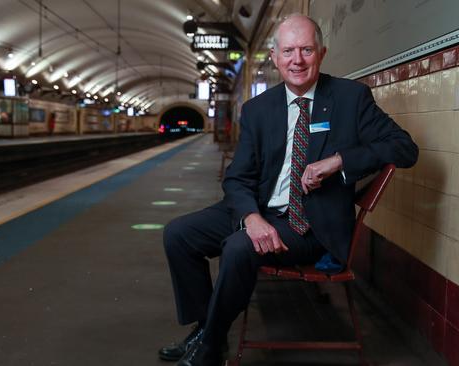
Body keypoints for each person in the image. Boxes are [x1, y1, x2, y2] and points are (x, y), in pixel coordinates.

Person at [160, 14, 418, 366]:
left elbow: (404, 148)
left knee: (238, 247)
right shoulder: (257, 110)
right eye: (289, 51)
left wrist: (339, 160)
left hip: (309, 225)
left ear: (322, 53)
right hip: (260, 209)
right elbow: (238, 178)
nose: (297, 60)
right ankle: (207, 328)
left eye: (307, 50)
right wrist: (251, 216)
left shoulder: (351, 98)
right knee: (179, 234)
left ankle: (207, 350)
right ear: (276, 57)